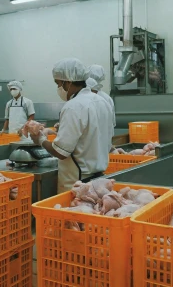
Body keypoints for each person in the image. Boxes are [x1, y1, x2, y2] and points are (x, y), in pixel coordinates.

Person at [29, 58, 113, 192]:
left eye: (58, 84)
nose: (58, 88)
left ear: (67, 82)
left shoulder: (73, 107)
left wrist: (40, 140)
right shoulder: (102, 102)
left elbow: (61, 152)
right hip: (99, 180)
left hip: (77, 183)